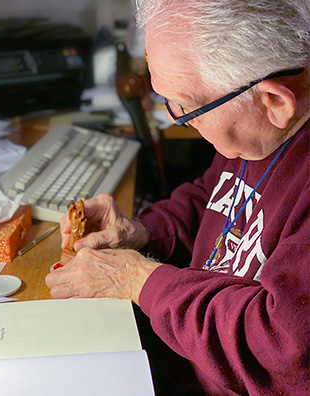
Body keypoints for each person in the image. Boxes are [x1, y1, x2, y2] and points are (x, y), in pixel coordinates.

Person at [46, 0, 310, 394]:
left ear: (274, 102)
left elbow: (282, 345)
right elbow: (214, 198)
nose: (174, 118)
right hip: (178, 354)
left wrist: (138, 279)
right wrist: (142, 232)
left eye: (185, 107)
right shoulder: (258, 133)